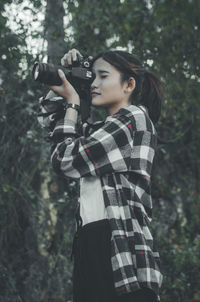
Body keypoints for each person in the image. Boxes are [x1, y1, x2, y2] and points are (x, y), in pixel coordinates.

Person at [38, 48, 163, 302]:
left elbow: (64, 158)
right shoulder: (99, 130)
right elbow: (50, 122)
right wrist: (68, 81)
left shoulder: (134, 118)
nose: (94, 84)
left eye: (103, 76)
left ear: (129, 84)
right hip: (90, 240)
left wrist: (73, 103)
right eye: (92, 77)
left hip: (118, 243)